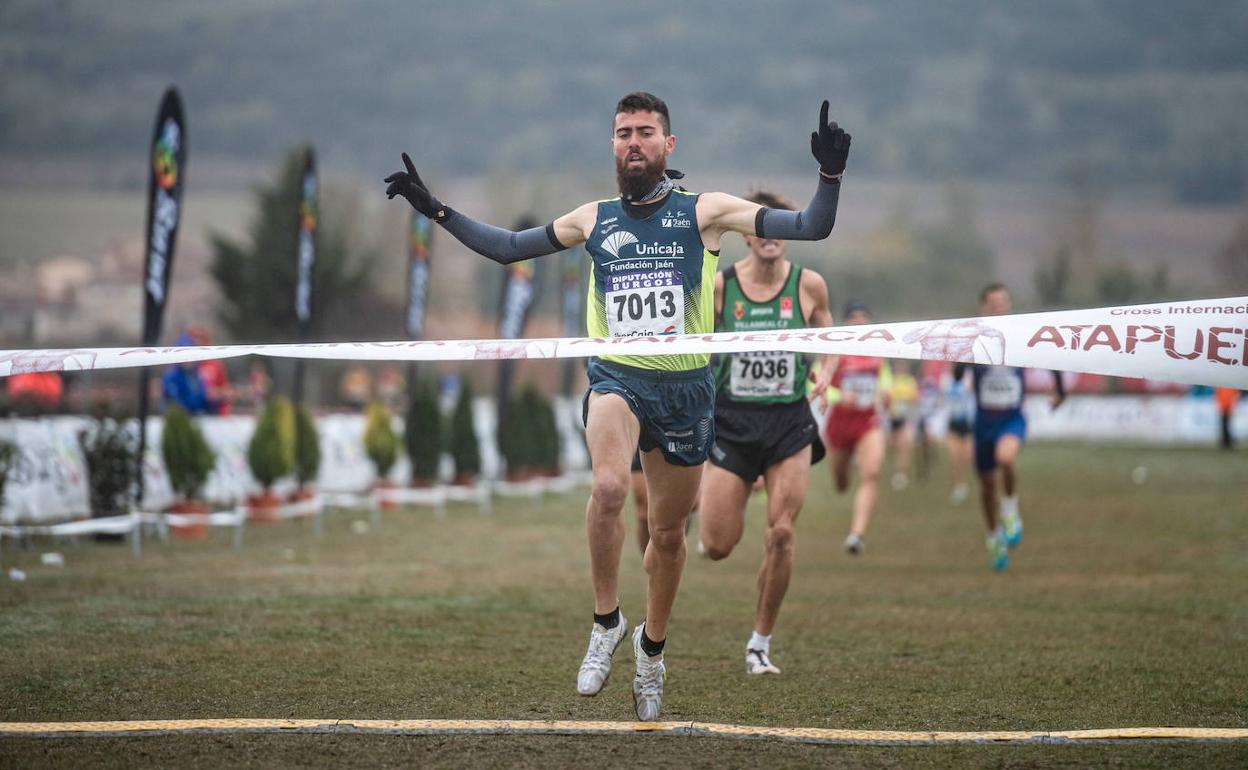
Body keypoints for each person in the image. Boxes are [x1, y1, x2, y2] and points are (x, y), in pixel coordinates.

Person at [385, 92, 850, 720]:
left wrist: (829, 176)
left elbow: (811, 227)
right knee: (607, 488)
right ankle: (606, 621)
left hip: (687, 390)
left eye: (646, 132)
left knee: (666, 535)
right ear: (612, 145)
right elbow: (507, 248)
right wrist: (435, 210)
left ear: (668, 145)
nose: (634, 141)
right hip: (618, 378)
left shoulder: (704, 211)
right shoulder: (592, 219)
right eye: (624, 133)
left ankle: (651, 648)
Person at [696, 188, 835, 676]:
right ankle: (726, 491)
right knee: (716, 545)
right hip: (731, 423)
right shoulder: (720, 288)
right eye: (761, 227)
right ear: (746, 237)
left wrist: (827, 369)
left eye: (779, 227)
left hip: (788, 423)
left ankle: (759, 643)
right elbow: (693, 339)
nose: (770, 236)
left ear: (788, 237)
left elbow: (829, 333)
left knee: (781, 533)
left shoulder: (809, 285)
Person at [954, 283, 1065, 571]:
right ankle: (993, 537)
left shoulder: (1019, 335)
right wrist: (961, 350)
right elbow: (957, 374)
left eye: (1004, 301)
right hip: (983, 422)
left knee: (1006, 459)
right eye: (993, 303)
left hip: (1011, 418)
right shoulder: (975, 337)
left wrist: (1060, 390)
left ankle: (1012, 511)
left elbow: (1049, 355)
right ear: (983, 307)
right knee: (987, 487)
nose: (1000, 307)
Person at [821, 301, 889, 555]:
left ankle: (856, 534)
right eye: (854, 318)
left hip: (868, 422)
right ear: (845, 323)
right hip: (839, 424)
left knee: (871, 472)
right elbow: (815, 384)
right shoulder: (834, 350)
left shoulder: (879, 350)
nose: (860, 322)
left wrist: (885, 392)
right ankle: (844, 467)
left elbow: (885, 378)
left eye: (864, 318)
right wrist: (840, 396)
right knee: (841, 483)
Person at [886, 359, 918, 490]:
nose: (900, 368)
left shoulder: (910, 381)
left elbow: (915, 398)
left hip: (904, 418)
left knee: (903, 445)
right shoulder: (890, 380)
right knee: (892, 445)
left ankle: (901, 473)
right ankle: (895, 469)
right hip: (891, 418)